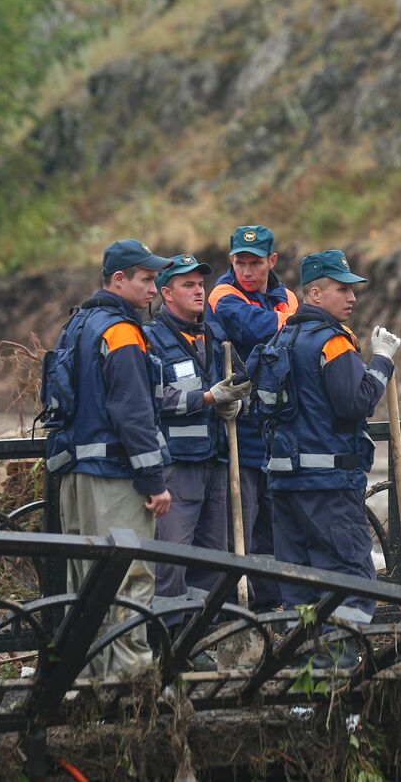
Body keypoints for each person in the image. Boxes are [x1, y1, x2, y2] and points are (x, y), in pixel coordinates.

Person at [266, 250, 399, 666]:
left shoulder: (279, 339)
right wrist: (382, 361)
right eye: (343, 289)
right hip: (329, 485)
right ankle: (339, 668)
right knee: (350, 578)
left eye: (353, 289)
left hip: (285, 483)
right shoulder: (333, 341)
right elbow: (354, 403)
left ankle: (302, 674)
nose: (352, 298)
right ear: (315, 293)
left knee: (299, 581)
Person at [53, 239, 174, 680]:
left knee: (85, 582)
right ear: (118, 280)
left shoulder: (79, 324)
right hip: (114, 477)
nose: (154, 289)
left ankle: (84, 680)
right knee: (128, 579)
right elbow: (133, 413)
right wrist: (154, 481)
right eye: (146, 279)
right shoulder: (121, 332)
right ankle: (129, 683)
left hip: (76, 474)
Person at [143, 254, 250, 660]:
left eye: (200, 283)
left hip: (215, 461)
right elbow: (151, 396)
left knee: (211, 555)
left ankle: (196, 634)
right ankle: (166, 642)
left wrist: (236, 401)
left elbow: (239, 381)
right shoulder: (151, 339)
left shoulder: (213, 336)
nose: (199, 290)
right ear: (166, 293)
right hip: (177, 466)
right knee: (171, 558)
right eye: (188, 285)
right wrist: (206, 398)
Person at [205, 225, 297, 609]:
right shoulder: (223, 295)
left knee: (273, 528)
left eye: (255, 263)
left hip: (275, 430)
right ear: (231, 262)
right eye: (240, 262)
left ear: (271, 261)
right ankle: (234, 610)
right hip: (239, 430)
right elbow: (256, 328)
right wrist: (296, 322)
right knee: (238, 523)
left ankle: (270, 605)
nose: (247, 270)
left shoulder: (286, 296)